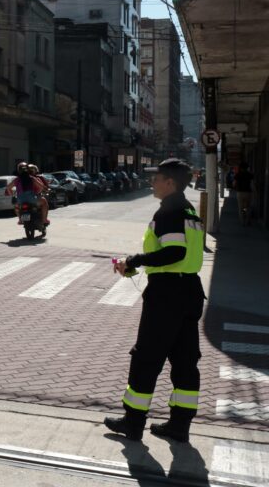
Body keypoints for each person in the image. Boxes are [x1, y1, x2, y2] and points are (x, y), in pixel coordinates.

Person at [104, 158, 205, 443]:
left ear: (170, 183)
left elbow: (174, 252)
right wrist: (138, 266)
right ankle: (179, 425)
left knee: (146, 357)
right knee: (185, 361)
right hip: (189, 292)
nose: (152, 183)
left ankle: (133, 423)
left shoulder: (169, 212)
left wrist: (134, 260)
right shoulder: (187, 210)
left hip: (167, 295)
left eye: (157, 178)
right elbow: (178, 254)